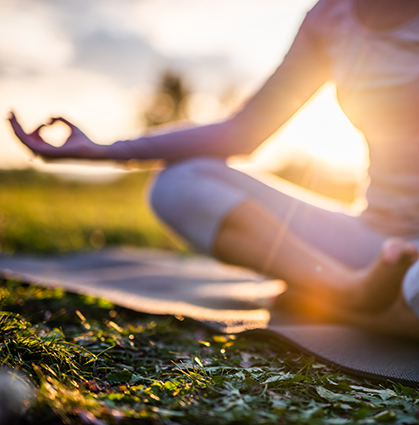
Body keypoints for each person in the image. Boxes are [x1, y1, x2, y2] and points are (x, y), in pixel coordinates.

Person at [8, 0, 419, 339]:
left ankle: (370, 303)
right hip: (372, 243)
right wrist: (103, 151)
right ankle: (347, 293)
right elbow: (243, 132)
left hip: (408, 259)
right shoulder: (330, 18)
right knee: (180, 183)